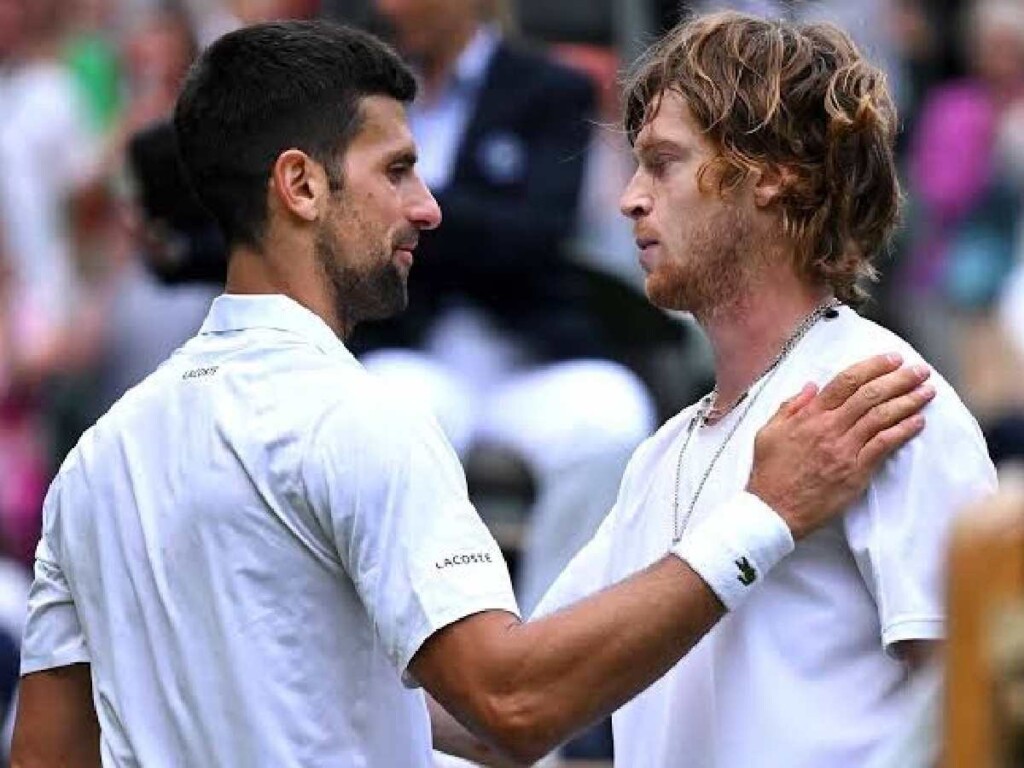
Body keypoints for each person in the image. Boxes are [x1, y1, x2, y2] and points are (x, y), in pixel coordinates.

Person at [11, 20, 933, 767]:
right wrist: (765, 516)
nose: (429, 208)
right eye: (398, 171)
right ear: (300, 185)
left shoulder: (96, 458)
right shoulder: (358, 420)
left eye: (663, 163)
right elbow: (516, 702)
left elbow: (50, 755)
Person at [452, 11, 991, 767]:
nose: (629, 199)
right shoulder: (660, 456)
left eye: (663, 163)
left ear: (774, 172)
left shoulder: (882, 394)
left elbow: (968, 711)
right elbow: (519, 701)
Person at [363, 0, 657, 620]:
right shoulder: (362, 90)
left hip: (532, 353)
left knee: (612, 421)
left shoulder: (552, 87)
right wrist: (477, 214)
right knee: (389, 418)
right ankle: (424, 653)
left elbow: (535, 233)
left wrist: (401, 210)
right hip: (413, 346)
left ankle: (551, 653)